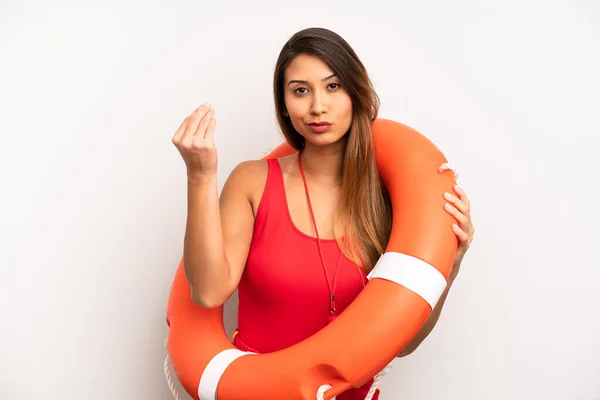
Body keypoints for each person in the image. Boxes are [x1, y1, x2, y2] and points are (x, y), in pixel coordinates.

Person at [171, 27, 475, 400]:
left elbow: (403, 342)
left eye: (332, 87)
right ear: (284, 104)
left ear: (355, 93)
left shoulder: (386, 202)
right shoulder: (252, 181)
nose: (318, 106)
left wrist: (451, 262)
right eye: (300, 90)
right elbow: (207, 290)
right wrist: (200, 175)